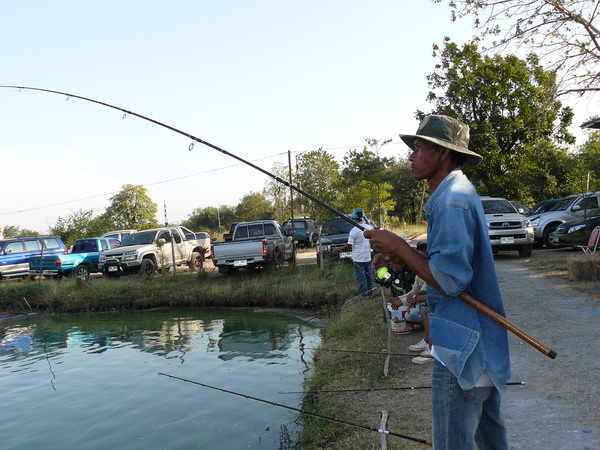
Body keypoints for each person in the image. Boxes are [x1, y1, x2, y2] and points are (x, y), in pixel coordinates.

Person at [365, 115, 511, 449]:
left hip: (462, 352)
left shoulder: (450, 200)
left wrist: (399, 244)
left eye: (418, 148)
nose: (411, 156)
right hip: (481, 347)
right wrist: (404, 259)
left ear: (442, 153)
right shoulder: (459, 192)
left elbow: (450, 282)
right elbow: (450, 264)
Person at [333, 208, 373, 298]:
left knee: (361, 277)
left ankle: (364, 295)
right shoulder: (370, 228)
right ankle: (370, 293)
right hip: (368, 257)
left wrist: (338, 250)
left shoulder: (354, 231)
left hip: (358, 258)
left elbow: (348, 245)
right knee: (368, 275)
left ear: (354, 219)